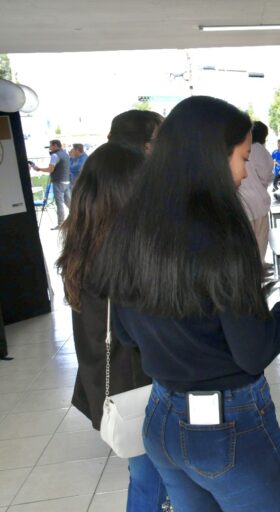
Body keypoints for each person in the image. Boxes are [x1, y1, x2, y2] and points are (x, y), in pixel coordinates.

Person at [91, 96, 280, 512]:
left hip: (162, 420)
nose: (243, 172)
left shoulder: (129, 228)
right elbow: (253, 352)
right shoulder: (221, 234)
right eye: (242, 157)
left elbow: (126, 333)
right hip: (229, 426)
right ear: (213, 157)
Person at [55, 143, 168, 511]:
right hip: (138, 386)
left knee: (148, 475)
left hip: (111, 384)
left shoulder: (81, 244)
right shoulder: (124, 255)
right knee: (151, 481)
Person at [239, 121, 274, 270]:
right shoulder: (259, 149)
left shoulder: (240, 148)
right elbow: (266, 175)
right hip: (257, 202)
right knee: (260, 238)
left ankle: (250, 269)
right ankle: (259, 267)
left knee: (246, 241)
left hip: (241, 202)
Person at [32, 139, 70, 229]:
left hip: (58, 182)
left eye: (50, 146)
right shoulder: (65, 154)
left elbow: (50, 169)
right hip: (66, 181)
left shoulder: (55, 155)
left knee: (59, 204)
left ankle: (61, 224)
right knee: (69, 203)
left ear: (55, 145)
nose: (49, 148)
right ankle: (78, 220)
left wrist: (39, 169)